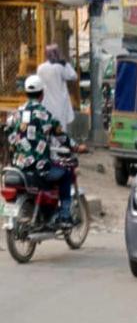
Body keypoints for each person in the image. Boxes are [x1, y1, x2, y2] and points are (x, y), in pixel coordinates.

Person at [6, 75, 74, 227]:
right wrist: (76, 147)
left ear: (25, 93)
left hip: (18, 167)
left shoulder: (16, 114)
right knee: (66, 173)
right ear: (42, 94)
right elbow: (62, 137)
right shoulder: (46, 116)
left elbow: (8, 131)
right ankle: (64, 215)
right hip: (39, 168)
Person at [36, 44, 78, 132]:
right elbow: (73, 76)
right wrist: (66, 64)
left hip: (45, 102)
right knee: (60, 128)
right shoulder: (60, 67)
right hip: (59, 104)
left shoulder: (40, 68)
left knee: (47, 127)